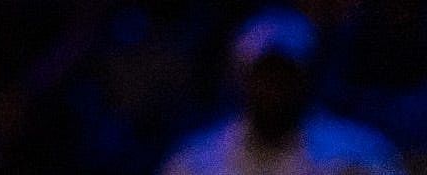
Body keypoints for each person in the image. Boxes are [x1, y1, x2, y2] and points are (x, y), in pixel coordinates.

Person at [162, 12, 401, 175]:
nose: (274, 89)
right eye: (264, 76)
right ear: (242, 80)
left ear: (306, 79)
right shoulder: (197, 161)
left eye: (285, 76)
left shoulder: (357, 154)